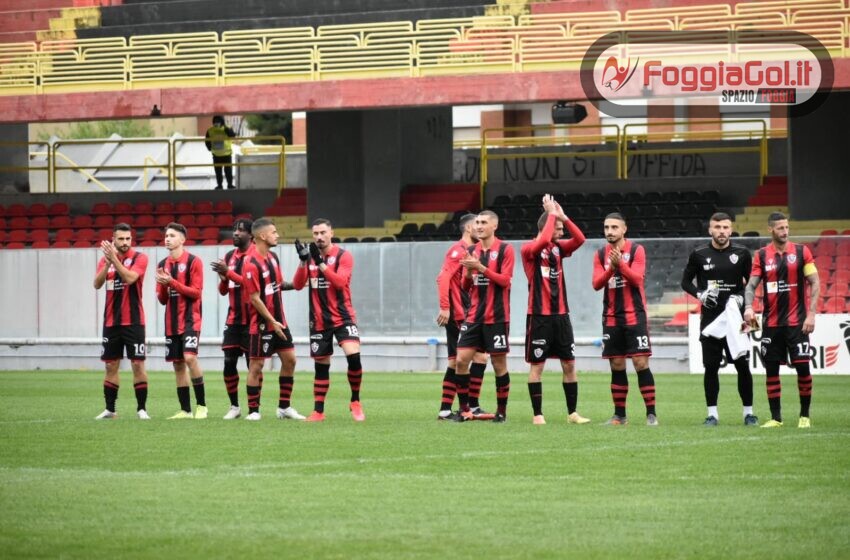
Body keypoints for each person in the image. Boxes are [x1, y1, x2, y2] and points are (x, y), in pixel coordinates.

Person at [744, 212, 820, 428]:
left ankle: (804, 416)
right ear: (771, 229)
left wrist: (812, 314)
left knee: (804, 368)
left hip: (798, 323)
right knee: (771, 371)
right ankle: (776, 418)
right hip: (772, 324)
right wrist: (749, 307)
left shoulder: (801, 251)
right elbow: (750, 286)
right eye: (780, 228)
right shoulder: (760, 255)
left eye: (786, 227)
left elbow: (815, 281)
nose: (785, 232)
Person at [681, 212, 758, 427]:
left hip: (739, 317)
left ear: (731, 229)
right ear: (710, 230)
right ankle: (712, 415)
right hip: (711, 319)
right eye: (717, 227)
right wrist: (700, 294)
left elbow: (751, 285)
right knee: (711, 367)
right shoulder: (698, 254)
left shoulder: (742, 254)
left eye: (725, 227)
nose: (721, 231)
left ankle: (749, 414)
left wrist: (742, 300)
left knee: (743, 366)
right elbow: (685, 282)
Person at [521, 194, 590, 425]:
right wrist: (551, 215)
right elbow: (540, 243)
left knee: (569, 364)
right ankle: (537, 414)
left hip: (561, 316)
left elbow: (580, 239)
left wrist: (563, 216)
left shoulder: (558, 249)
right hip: (539, 316)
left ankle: (572, 413)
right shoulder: (529, 249)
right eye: (558, 228)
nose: (561, 232)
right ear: (546, 226)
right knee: (537, 366)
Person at [292, 219, 365, 422]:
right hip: (318, 320)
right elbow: (298, 285)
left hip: (343, 317)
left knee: (354, 357)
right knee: (321, 366)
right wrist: (302, 261)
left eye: (323, 232)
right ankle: (318, 411)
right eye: (315, 233)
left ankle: (355, 401)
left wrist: (321, 263)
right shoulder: (310, 258)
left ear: (331, 233)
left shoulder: (343, 256)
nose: (319, 237)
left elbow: (340, 283)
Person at [592, 213, 657, 426]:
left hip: (634, 315)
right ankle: (619, 415)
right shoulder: (601, 254)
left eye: (614, 227)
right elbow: (596, 284)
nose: (609, 231)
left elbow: (637, 279)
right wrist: (611, 267)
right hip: (611, 317)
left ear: (624, 229)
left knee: (640, 362)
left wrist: (621, 265)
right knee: (617, 364)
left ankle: (651, 414)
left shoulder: (637, 250)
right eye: (606, 227)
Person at [240, 218, 305, 421]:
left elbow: (278, 284)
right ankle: (253, 411)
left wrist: (302, 269)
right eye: (274, 232)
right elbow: (254, 298)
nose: (277, 235)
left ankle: (284, 408)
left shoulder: (273, 257)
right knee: (256, 366)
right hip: (261, 325)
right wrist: (271, 321)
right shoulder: (250, 263)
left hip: (280, 322)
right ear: (262, 236)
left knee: (290, 360)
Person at [454, 210, 515, 423]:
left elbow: (505, 281)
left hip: (497, 317)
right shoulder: (471, 250)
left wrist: (480, 267)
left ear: (494, 226)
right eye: (477, 222)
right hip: (474, 316)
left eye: (483, 223)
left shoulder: (506, 250)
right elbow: (464, 284)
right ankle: (464, 410)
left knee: (499, 365)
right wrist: (470, 273)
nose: (478, 226)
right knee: (461, 360)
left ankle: (501, 412)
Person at [436, 213, 490, 421]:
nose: (479, 227)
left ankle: (446, 410)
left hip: (469, 314)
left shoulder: (474, 252)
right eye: (476, 224)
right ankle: (471, 406)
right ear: (468, 228)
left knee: (456, 361)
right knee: (477, 358)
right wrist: (445, 308)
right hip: (459, 315)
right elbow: (442, 278)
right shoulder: (457, 251)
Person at [93, 223, 150, 420]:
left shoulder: (140, 258)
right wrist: (108, 263)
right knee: (110, 365)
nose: (125, 243)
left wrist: (114, 259)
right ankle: (110, 409)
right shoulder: (105, 260)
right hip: (111, 322)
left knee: (137, 365)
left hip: (134, 322)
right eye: (121, 239)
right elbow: (97, 284)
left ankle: (141, 409)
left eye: (128, 239)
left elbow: (130, 278)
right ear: (113, 240)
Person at [155, 222, 207, 419]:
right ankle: (185, 410)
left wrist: (172, 282)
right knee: (177, 364)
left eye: (172, 235)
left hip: (190, 320)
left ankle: (202, 406)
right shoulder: (162, 265)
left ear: (182, 240)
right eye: (166, 235)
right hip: (171, 322)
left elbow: (195, 293)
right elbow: (162, 300)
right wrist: (162, 286)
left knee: (190, 357)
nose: (167, 238)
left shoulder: (194, 261)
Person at [210, 218, 254, 419]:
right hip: (233, 318)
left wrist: (228, 273)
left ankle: (255, 408)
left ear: (251, 235)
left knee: (251, 364)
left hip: (253, 317)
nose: (235, 233)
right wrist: (223, 278)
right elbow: (223, 291)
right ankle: (234, 407)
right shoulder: (229, 256)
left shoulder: (256, 256)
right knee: (229, 361)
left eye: (241, 231)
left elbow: (250, 284)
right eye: (234, 230)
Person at [205, 115, 236, 190]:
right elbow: (207, 141)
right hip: (217, 155)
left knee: (228, 171)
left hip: (226, 155)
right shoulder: (210, 130)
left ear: (222, 122)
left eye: (218, 121)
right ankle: (220, 185)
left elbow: (233, 135)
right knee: (218, 172)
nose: (216, 123)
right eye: (215, 122)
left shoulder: (226, 129)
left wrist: (226, 129)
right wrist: (209, 148)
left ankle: (229, 185)